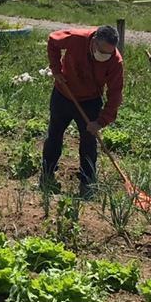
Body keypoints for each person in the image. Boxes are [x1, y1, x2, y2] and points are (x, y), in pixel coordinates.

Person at [41, 24, 124, 198]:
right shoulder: (76, 38)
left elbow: (115, 94)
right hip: (63, 93)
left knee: (88, 142)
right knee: (54, 134)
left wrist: (100, 121)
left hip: (90, 101)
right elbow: (52, 41)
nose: (105, 56)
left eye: (109, 53)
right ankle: (47, 173)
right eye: (102, 52)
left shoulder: (115, 61)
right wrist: (56, 70)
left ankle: (87, 181)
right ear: (94, 42)